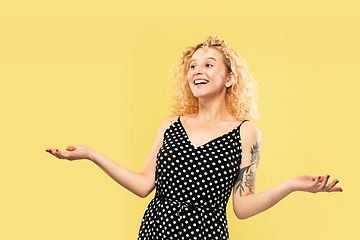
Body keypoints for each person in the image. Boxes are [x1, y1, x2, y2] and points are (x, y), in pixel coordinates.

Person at [46, 35, 342, 240]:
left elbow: (242, 206)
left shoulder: (246, 133)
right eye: (192, 66)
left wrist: (291, 185)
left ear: (230, 78)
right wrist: (90, 154)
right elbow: (143, 185)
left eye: (209, 64)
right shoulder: (170, 125)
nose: (197, 71)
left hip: (207, 233)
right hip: (156, 230)